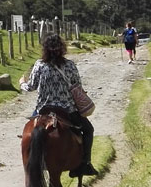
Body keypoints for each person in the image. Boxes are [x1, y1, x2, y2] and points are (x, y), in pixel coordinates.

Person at [19, 33, 98, 178]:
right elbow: (77, 86)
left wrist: (21, 83)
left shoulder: (39, 65)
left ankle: (31, 158)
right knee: (88, 130)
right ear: (62, 48)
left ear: (45, 49)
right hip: (67, 109)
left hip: (43, 108)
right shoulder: (69, 65)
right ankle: (85, 163)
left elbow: (30, 87)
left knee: (30, 127)